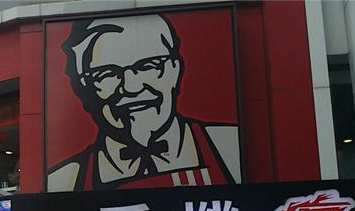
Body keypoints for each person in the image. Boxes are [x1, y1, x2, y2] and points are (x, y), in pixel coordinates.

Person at [48, 14, 239, 191]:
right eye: (107, 73)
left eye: (148, 66)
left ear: (175, 70)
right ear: (84, 87)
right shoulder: (66, 179)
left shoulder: (227, 145)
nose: (131, 87)